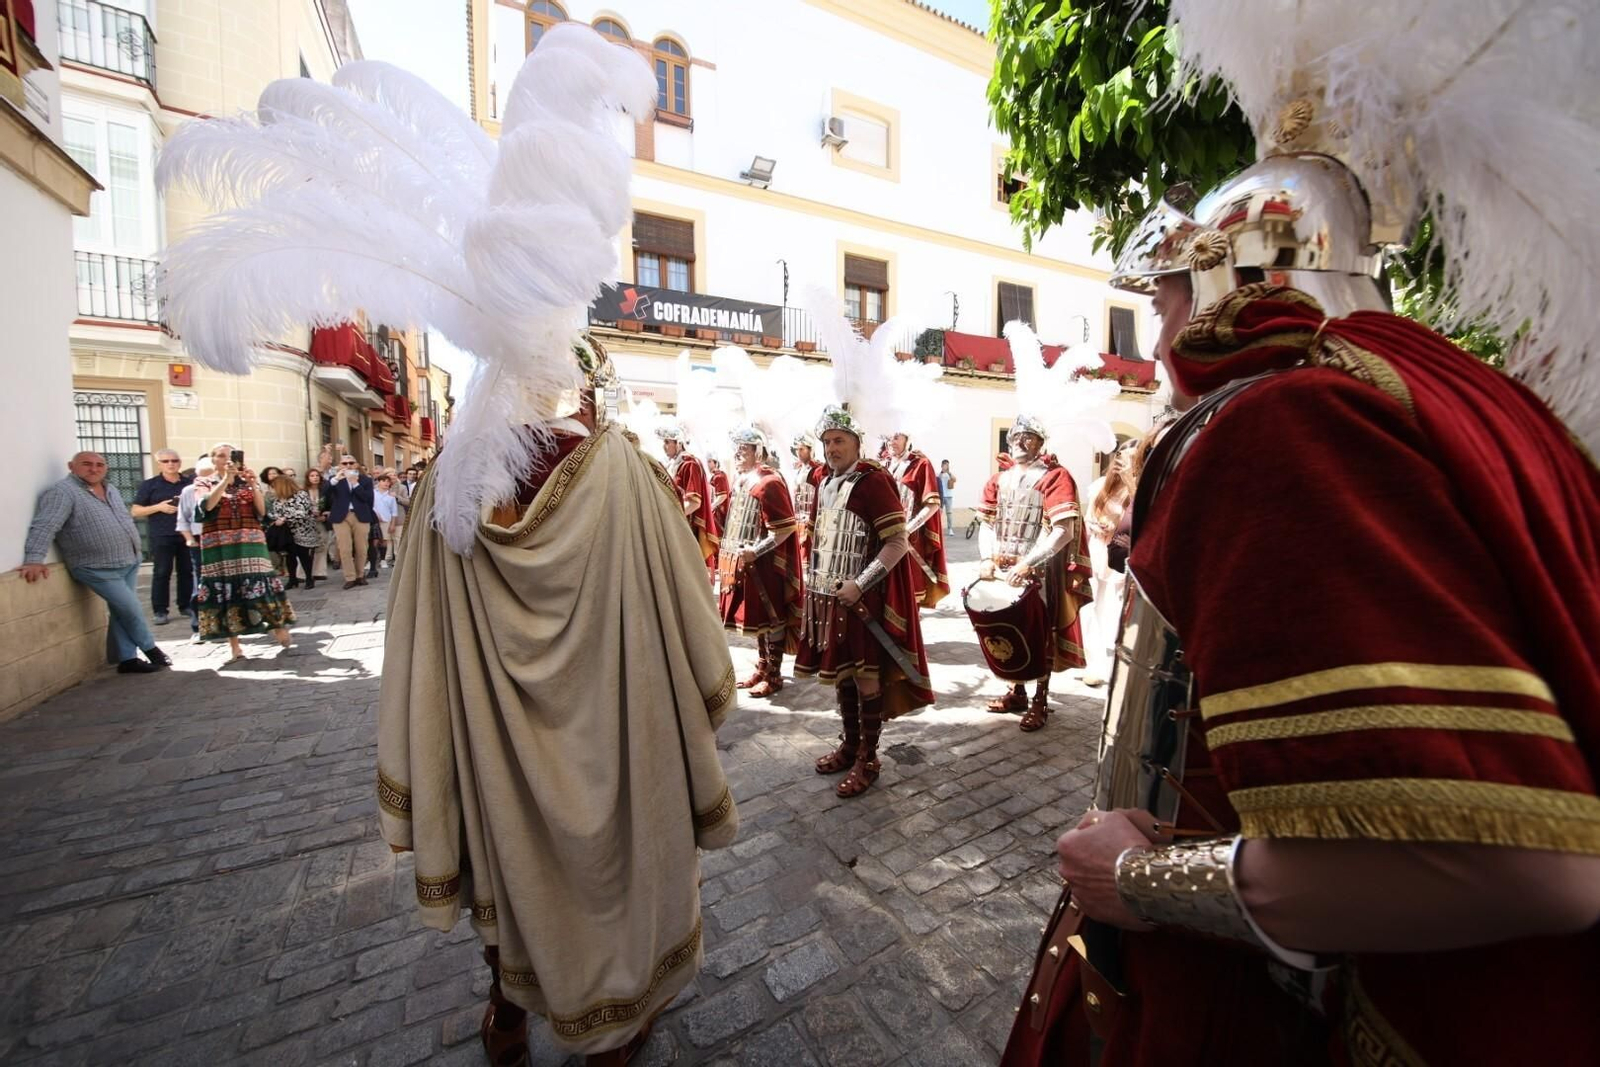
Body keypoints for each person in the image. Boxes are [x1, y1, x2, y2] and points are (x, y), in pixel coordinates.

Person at [1000, 16, 1600, 1063]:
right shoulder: (1462, 392)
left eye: (1165, 294)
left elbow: (1525, 861)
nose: (1157, 337)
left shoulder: (1288, 420)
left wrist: (1140, 878)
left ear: (1228, 273)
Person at [796, 407, 933, 797]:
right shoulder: (823, 481)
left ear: (857, 443)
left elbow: (897, 542)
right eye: (826, 441)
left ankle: (868, 759)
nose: (831, 448)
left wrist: (860, 583)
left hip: (862, 600)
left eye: (839, 440)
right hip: (828, 599)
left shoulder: (874, 482)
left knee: (867, 678)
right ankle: (850, 745)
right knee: (844, 674)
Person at [972, 414, 1093, 731]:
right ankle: (1017, 692)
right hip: (1002, 566)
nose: (1020, 442)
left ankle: (1040, 699)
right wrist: (987, 558)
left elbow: (1062, 530)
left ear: (1041, 444)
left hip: (1038, 570)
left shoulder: (1055, 477)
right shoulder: (999, 479)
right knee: (1009, 628)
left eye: (1029, 437)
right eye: (1016, 437)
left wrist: (1029, 563)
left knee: (1039, 633)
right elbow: (987, 523)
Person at [17, 451, 171, 674]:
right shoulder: (62, 493)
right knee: (131, 608)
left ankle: (127, 660)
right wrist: (33, 559)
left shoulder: (111, 489)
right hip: (94, 566)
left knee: (121, 610)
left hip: (128, 561)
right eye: (87, 464)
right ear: (72, 466)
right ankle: (151, 649)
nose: (94, 469)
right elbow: (45, 526)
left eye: (100, 464)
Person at [717, 426, 802, 698]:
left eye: (745, 449)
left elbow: (785, 528)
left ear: (759, 451)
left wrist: (757, 550)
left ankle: (774, 674)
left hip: (767, 563)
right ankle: (762, 667)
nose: (739, 454)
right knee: (758, 621)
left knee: (773, 619)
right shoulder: (742, 479)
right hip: (747, 563)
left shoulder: (769, 482)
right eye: (737, 449)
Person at [192, 443, 295, 663]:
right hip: (219, 545)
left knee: (261, 583)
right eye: (220, 456)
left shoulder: (247, 482)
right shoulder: (203, 482)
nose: (226, 460)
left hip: (250, 541)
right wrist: (224, 481)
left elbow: (261, 511)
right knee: (224, 591)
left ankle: (278, 626)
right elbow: (207, 506)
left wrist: (253, 485)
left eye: (231, 456)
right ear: (213, 460)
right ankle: (235, 647)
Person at [1079, 440, 1136, 687]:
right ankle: (1095, 664)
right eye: (1121, 457)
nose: (1123, 463)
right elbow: (1088, 516)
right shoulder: (1100, 487)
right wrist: (1095, 525)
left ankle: (1117, 663)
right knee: (1091, 606)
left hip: (1120, 555)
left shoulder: (1137, 490)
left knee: (1117, 608)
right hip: (1098, 550)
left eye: (1130, 459)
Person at [885, 432, 949, 609]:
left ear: (908, 439)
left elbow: (933, 505)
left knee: (909, 597)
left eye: (897, 437)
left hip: (910, 540)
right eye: (889, 437)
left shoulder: (920, 464)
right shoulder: (883, 464)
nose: (892, 441)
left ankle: (912, 635)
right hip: (882, 539)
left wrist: (907, 529)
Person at [130, 448, 194, 625]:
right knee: (161, 572)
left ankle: (186, 605)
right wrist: (159, 507)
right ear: (159, 464)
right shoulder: (150, 485)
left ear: (180, 462)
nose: (171, 464)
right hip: (161, 534)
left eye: (174, 460)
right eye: (166, 461)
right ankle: (160, 610)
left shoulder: (189, 483)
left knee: (187, 571)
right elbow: (135, 511)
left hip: (186, 533)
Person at [655, 423, 720, 573]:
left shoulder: (690, 464)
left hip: (688, 529)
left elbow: (694, 503)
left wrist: (670, 518)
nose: (664, 446)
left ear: (678, 443)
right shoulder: (674, 464)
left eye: (667, 442)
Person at [176, 457, 214, 643]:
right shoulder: (188, 492)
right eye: (203, 476)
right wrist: (189, 539)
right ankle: (198, 627)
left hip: (221, 539)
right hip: (199, 540)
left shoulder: (221, 489)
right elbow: (182, 519)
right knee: (200, 583)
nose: (206, 480)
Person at [266, 472, 321, 590]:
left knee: (303, 556)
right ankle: (292, 579)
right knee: (290, 557)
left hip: (303, 531)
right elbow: (273, 513)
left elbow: (302, 512)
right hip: (287, 533)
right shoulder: (277, 500)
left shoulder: (300, 495)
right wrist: (276, 519)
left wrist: (284, 518)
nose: (273, 489)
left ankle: (309, 579)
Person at [327, 455, 375, 589]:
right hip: (341, 516)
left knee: (361, 547)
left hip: (360, 515)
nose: (348, 465)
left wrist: (355, 484)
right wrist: (336, 479)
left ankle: (360, 575)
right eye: (344, 463)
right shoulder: (335, 481)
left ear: (356, 464)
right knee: (345, 548)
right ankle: (350, 577)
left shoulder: (365, 480)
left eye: (351, 463)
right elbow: (324, 492)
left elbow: (368, 498)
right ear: (340, 466)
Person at [302, 467, 332, 581]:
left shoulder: (324, 491)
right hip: (306, 523)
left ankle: (319, 571)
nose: (315, 478)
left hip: (321, 521)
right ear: (308, 478)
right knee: (305, 547)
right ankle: (303, 573)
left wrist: (325, 515)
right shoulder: (303, 492)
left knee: (322, 545)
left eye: (317, 476)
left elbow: (330, 504)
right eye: (312, 476)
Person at [372, 475, 398, 570]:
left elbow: (394, 511)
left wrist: (392, 524)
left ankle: (383, 560)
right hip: (373, 520)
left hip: (386, 521)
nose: (386, 483)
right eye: (384, 481)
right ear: (378, 482)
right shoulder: (372, 493)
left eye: (388, 481)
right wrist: (375, 515)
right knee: (373, 541)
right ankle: (372, 561)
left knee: (384, 541)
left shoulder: (391, 496)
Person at [707, 456, 731, 535]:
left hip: (719, 513)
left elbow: (722, 496)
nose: (708, 464)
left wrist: (710, 507)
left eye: (710, 462)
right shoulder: (716, 476)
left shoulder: (719, 476)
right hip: (717, 512)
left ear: (716, 463)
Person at [937, 459, 956, 534]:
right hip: (941, 496)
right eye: (944, 465)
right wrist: (942, 472)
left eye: (947, 465)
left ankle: (950, 529)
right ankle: (938, 529)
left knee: (949, 513)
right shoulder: (939, 474)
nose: (946, 466)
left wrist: (948, 472)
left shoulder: (950, 474)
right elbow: (937, 480)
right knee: (939, 513)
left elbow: (954, 479)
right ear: (942, 465)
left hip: (949, 496)